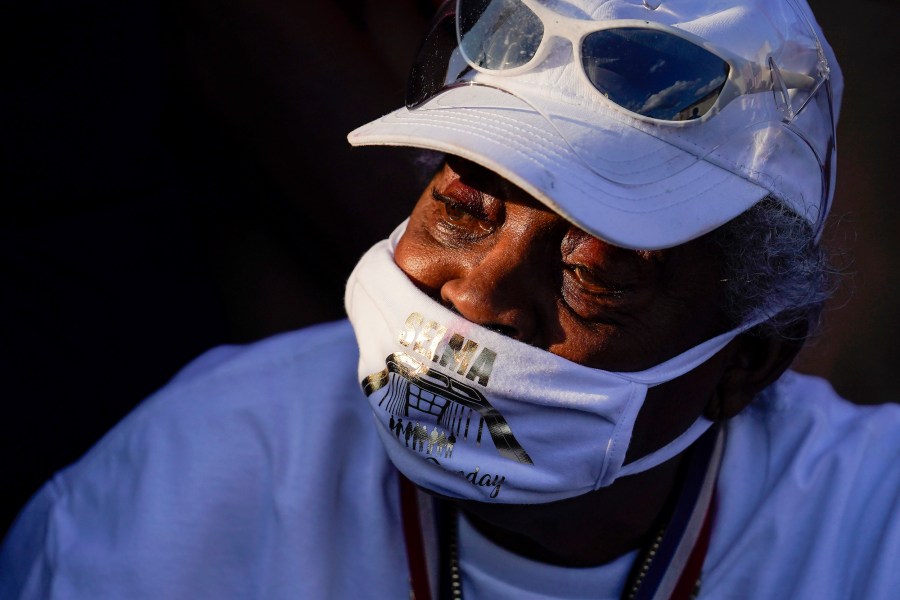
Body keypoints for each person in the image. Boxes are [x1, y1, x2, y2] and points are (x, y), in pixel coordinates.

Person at [2, 0, 898, 598]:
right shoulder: (189, 481)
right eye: (463, 213)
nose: (478, 296)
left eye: (594, 275)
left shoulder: (869, 526)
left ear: (747, 362)